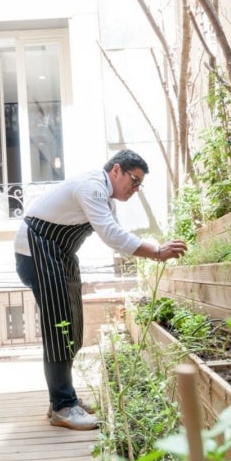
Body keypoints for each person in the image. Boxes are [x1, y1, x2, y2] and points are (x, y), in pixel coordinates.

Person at [14, 149, 187, 430]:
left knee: (70, 327)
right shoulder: (92, 187)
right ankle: (62, 406)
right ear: (116, 170)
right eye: (134, 180)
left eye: (140, 184)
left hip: (58, 255)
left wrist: (151, 249)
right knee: (59, 329)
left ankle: (63, 398)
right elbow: (111, 235)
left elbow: (117, 233)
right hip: (36, 253)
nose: (135, 188)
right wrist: (157, 251)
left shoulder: (106, 198)